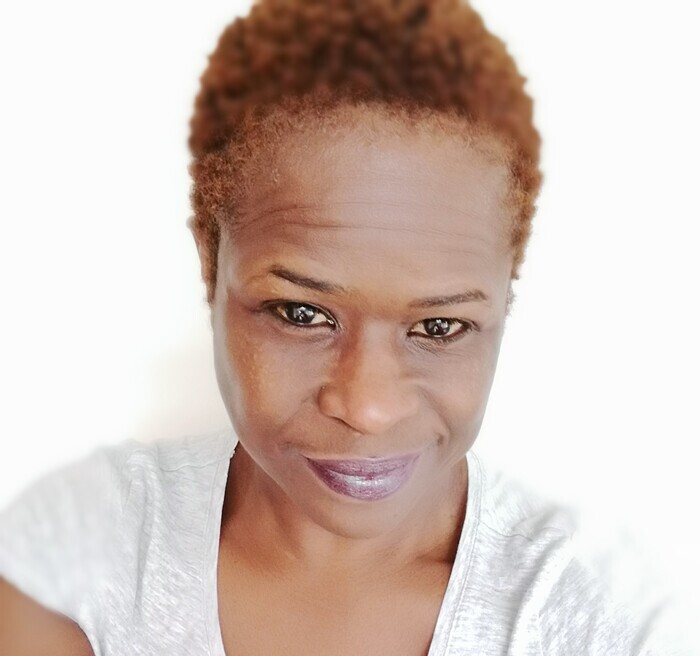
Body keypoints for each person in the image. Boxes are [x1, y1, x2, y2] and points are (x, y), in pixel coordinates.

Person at [0, 0, 688, 654]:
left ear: (505, 297)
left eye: (440, 327)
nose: (367, 408)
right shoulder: (76, 562)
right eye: (302, 314)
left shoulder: (609, 621)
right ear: (211, 265)